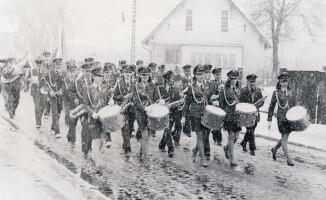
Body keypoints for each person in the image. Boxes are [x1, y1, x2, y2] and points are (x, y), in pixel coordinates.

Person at [83, 66, 109, 173]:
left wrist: (110, 104)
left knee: (102, 141)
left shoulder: (104, 89)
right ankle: (98, 164)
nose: (100, 79)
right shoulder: (88, 89)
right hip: (93, 118)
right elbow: (85, 104)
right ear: (93, 77)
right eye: (98, 76)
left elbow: (105, 103)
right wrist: (92, 113)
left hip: (102, 119)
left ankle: (94, 157)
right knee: (96, 140)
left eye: (101, 77)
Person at [183, 65, 209, 167]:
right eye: (199, 74)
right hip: (195, 114)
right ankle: (203, 158)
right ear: (195, 75)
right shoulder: (191, 88)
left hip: (206, 114)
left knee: (205, 137)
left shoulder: (208, 86)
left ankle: (194, 152)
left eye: (202, 74)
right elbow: (187, 103)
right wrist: (184, 117)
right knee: (200, 136)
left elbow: (209, 98)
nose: (201, 76)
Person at [268, 72, 296, 166]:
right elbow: (271, 106)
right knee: (284, 139)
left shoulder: (291, 92)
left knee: (285, 138)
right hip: (281, 119)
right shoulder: (276, 93)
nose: (284, 83)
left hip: (290, 118)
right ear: (279, 82)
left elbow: (294, 105)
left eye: (286, 81)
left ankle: (275, 149)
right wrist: (269, 119)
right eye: (282, 81)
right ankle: (288, 159)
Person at [133, 66, 155, 164]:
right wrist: (144, 108)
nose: (145, 77)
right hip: (140, 113)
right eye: (143, 75)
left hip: (150, 113)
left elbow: (156, 98)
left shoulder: (152, 86)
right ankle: (146, 159)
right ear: (139, 75)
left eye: (147, 75)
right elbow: (136, 101)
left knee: (147, 135)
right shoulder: (136, 86)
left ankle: (140, 153)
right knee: (145, 134)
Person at [219, 70, 242, 166]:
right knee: (231, 136)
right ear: (229, 79)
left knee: (236, 137)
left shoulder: (239, 89)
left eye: (235, 79)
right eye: (232, 79)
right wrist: (223, 115)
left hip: (237, 117)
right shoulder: (224, 90)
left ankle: (227, 147)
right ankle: (232, 158)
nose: (233, 81)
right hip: (228, 116)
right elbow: (221, 104)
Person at [239, 74, 265, 156]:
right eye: (251, 82)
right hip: (247, 114)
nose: (252, 83)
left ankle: (244, 142)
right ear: (247, 82)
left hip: (255, 114)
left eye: (254, 82)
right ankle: (252, 149)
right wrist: (247, 107)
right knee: (250, 130)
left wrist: (257, 105)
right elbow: (240, 102)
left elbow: (262, 102)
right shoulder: (243, 90)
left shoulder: (258, 90)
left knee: (251, 130)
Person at [113, 65, 134, 158]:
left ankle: (126, 142)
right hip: (123, 109)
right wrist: (123, 97)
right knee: (124, 128)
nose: (128, 74)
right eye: (126, 72)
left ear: (132, 73)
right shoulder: (119, 83)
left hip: (133, 109)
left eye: (129, 72)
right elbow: (115, 96)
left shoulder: (135, 83)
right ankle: (128, 149)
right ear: (123, 73)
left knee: (130, 127)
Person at [44, 58, 64, 138]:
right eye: (57, 64)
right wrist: (49, 92)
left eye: (59, 64)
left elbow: (65, 84)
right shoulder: (49, 73)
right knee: (54, 113)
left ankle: (53, 127)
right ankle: (57, 131)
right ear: (54, 65)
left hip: (60, 96)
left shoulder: (63, 73)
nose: (58, 66)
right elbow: (45, 84)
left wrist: (62, 90)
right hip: (52, 96)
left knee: (59, 113)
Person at [76, 63, 93, 158]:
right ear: (83, 71)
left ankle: (90, 146)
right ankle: (85, 149)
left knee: (92, 128)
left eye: (90, 71)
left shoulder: (93, 81)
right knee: (85, 128)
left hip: (92, 109)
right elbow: (79, 93)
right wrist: (86, 102)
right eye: (86, 71)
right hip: (83, 107)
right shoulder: (79, 81)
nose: (88, 73)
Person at [157, 71, 175, 157]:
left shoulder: (174, 88)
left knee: (167, 129)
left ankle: (162, 144)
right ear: (167, 79)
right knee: (167, 129)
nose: (173, 80)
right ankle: (171, 149)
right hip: (163, 111)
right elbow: (156, 99)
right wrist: (161, 102)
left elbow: (176, 99)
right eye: (172, 79)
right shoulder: (159, 88)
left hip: (172, 111)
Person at [62, 63, 79, 148]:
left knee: (75, 121)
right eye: (71, 72)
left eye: (74, 71)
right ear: (68, 72)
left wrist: (77, 98)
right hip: (67, 102)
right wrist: (74, 97)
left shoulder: (77, 80)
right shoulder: (65, 81)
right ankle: (73, 140)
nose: (72, 73)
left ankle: (70, 135)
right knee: (71, 120)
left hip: (76, 103)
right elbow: (67, 92)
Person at [29, 59, 48, 128]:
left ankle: (39, 118)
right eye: (38, 65)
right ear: (36, 65)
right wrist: (30, 80)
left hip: (43, 91)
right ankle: (38, 122)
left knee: (42, 106)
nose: (39, 66)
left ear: (42, 65)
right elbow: (27, 78)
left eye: (40, 65)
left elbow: (48, 80)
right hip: (35, 91)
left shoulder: (45, 71)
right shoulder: (32, 71)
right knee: (37, 106)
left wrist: (45, 80)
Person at [102, 63, 116, 148]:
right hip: (101, 104)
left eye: (109, 72)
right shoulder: (101, 80)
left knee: (107, 121)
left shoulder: (112, 81)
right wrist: (109, 91)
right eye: (106, 72)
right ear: (103, 73)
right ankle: (105, 139)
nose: (107, 74)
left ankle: (108, 139)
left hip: (108, 104)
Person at [211, 68, 223, 145]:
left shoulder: (224, 83)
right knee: (216, 122)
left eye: (219, 74)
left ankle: (216, 135)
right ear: (214, 75)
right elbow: (211, 95)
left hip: (222, 105)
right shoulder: (212, 84)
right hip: (215, 105)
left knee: (220, 122)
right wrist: (217, 96)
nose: (218, 76)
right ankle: (218, 139)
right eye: (216, 75)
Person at [181, 64, 192, 137]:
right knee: (184, 114)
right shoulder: (182, 79)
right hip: (183, 98)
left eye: (189, 71)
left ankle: (187, 130)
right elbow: (180, 89)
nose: (187, 72)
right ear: (184, 71)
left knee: (189, 114)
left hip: (191, 98)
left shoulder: (193, 79)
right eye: (186, 71)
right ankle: (184, 129)